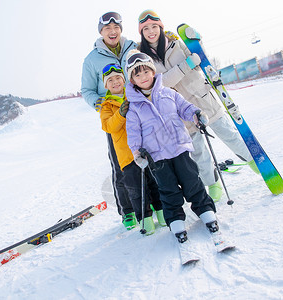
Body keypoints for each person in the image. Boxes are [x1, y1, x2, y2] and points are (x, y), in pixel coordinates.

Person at [136, 10, 259, 203]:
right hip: (179, 110)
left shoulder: (176, 44)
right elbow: (162, 82)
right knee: (198, 151)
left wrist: (197, 43)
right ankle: (212, 183)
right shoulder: (144, 59)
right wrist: (186, 65)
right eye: (146, 29)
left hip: (202, 98)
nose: (151, 32)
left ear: (160, 26)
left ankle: (254, 160)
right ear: (141, 32)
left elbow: (199, 58)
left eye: (154, 26)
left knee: (228, 134)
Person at [124, 50, 220, 244]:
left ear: (153, 71)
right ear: (132, 79)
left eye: (145, 72)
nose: (143, 77)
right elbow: (133, 133)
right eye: (137, 74)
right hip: (156, 157)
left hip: (180, 148)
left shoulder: (169, 93)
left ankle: (205, 210)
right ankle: (176, 220)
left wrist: (196, 114)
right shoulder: (133, 107)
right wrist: (136, 152)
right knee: (168, 190)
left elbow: (185, 108)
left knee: (192, 181)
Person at [81, 12, 137, 230]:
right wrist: (102, 106)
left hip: (140, 111)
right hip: (115, 116)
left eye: (116, 27)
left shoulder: (133, 47)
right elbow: (86, 90)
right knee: (121, 163)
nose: (112, 31)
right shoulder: (92, 59)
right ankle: (128, 211)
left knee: (149, 156)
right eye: (107, 29)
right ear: (101, 32)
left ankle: (154, 202)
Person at [99, 63, 165, 235]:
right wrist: (120, 113)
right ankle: (145, 220)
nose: (115, 83)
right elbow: (108, 126)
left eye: (118, 79)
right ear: (106, 85)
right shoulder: (106, 106)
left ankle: (163, 213)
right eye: (110, 80)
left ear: (124, 80)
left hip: (145, 149)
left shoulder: (135, 95)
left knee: (155, 182)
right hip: (127, 156)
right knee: (136, 189)